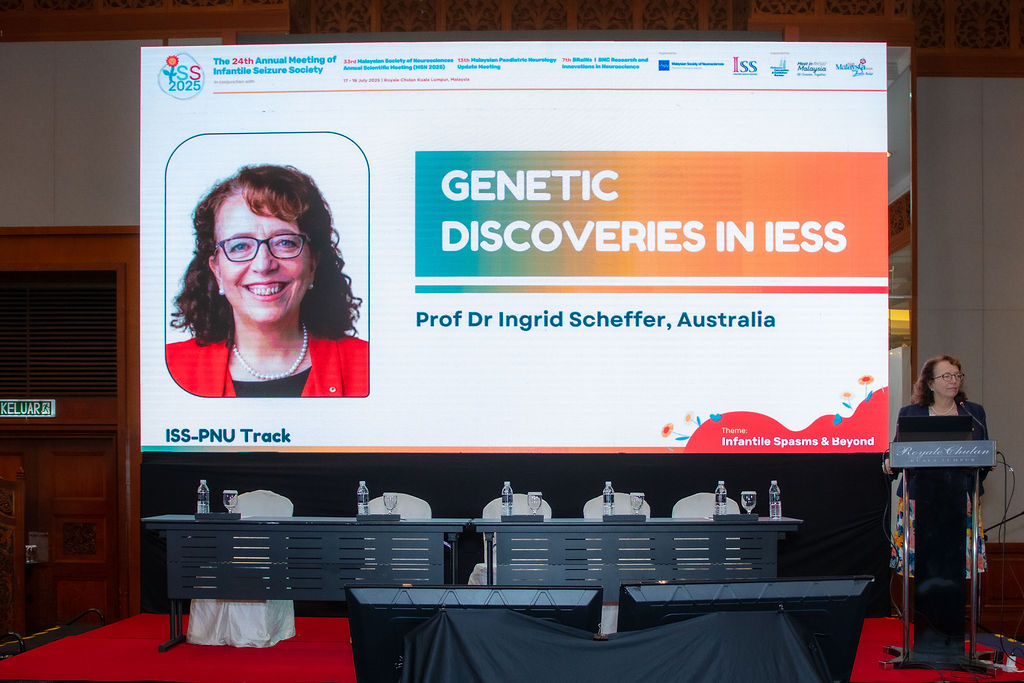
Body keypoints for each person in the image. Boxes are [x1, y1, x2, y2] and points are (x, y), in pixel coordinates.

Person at [167, 164, 368, 397]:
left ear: (313, 263)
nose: (263, 265)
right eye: (240, 246)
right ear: (217, 271)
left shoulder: (369, 365)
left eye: (285, 242)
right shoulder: (170, 368)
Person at [886, 354, 987, 576]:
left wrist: (986, 464)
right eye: (947, 376)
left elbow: (981, 452)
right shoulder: (911, 413)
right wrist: (888, 461)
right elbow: (897, 451)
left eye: (957, 375)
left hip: (962, 497)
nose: (954, 381)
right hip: (919, 497)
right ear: (930, 384)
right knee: (926, 568)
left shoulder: (974, 412)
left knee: (954, 569)